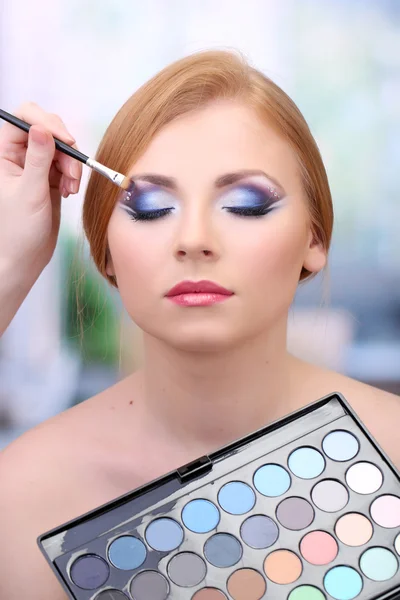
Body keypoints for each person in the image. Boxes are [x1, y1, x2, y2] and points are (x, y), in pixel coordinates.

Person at [0, 49, 398, 600]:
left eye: (246, 203)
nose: (193, 238)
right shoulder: (21, 491)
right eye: (152, 206)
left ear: (314, 239)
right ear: (105, 250)